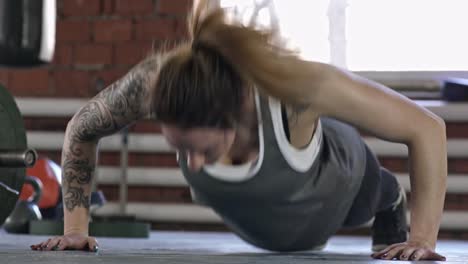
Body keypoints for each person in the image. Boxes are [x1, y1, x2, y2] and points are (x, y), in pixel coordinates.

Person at [31, 0, 447, 261]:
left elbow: (427, 128)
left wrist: (423, 237)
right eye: (180, 148)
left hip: (336, 182)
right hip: (271, 217)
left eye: (200, 150)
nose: (190, 164)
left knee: (362, 197)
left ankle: (389, 198)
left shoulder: (298, 88)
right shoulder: (157, 84)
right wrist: (75, 230)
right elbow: (82, 128)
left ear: (235, 113)